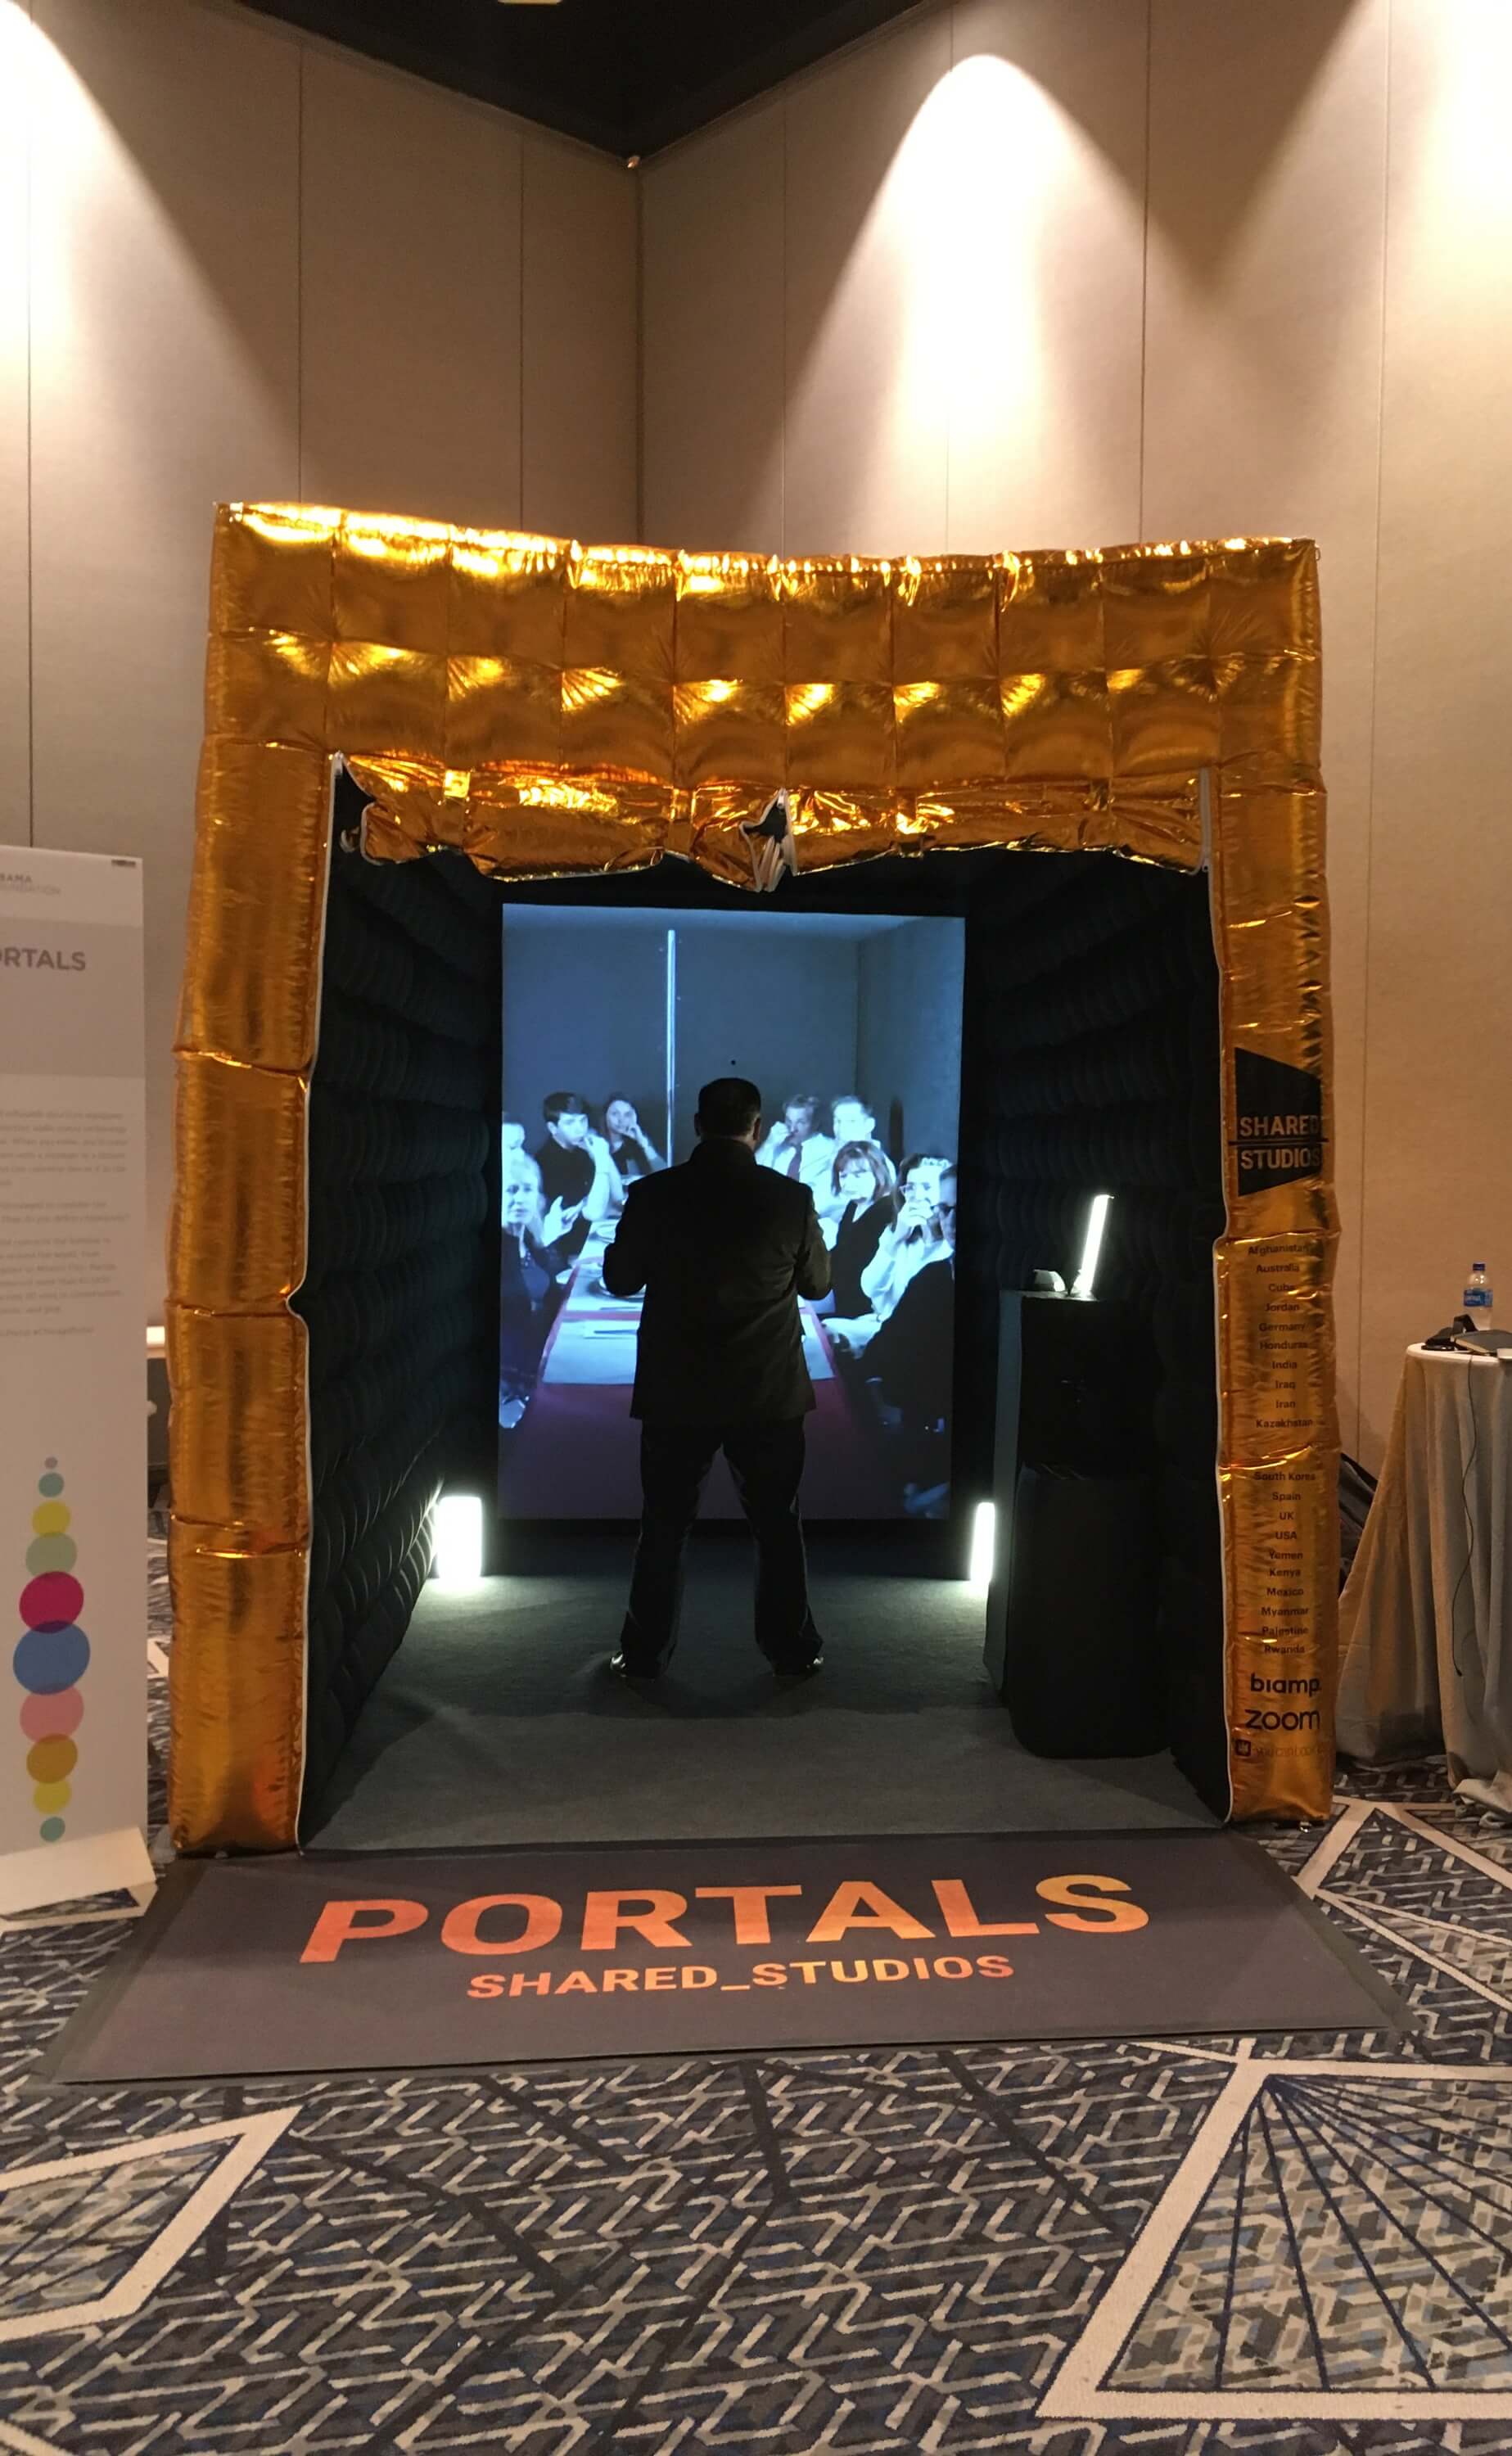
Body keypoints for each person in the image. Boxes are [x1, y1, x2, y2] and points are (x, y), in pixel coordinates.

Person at [602, 1074, 831, 1679]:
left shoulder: (653, 1194)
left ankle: (645, 1653)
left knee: (664, 1527)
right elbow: (817, 1284)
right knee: (778, 1525)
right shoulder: (791, 1198)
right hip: (768, 1389)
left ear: (697, 1125)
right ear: (757, 1128)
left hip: (677, 1390)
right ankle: (791, 1649)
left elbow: (620, 1280)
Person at [499, 1160, 560, 1429]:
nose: (520, 1198)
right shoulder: (499, 1248)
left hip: (536, 1369)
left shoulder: (531, 1243)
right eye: (511, 1190)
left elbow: (546, 1290)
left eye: (528, 1189)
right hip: (508, 1388)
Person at [534, 1092, 622, 1271]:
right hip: (565, 1255)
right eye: (569, 1123)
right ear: (553, 1128)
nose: (579, 1129)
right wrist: (601, 1159)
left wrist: (602, 1155)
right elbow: (593, 1212)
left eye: (583, 1121)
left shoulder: (581, 1150)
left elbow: (618, 1197)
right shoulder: (546, 1162)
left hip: (590, 1240)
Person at [826, 1141, 897, 1310]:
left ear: (878, 1174)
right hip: (845, 1300)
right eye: (843, 1176)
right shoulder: (854, 1205)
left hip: (868, 1308)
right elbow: (842, 1250)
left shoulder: (887, 1211)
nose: (849, 1183)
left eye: (858, 1175)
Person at [755, 1093, 836, 1205]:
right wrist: (769, 1143)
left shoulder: (831, 1149)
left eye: (801, 1123)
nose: (792, 1129)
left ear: (815, 1124)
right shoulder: (777, 1145)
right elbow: (751, 1172)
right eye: (788, 1121)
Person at [603, 1096, 664, 1188]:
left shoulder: (637, 1144)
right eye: (615, 1114)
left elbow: (664, 1174)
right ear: (605, 1116)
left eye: (627, 1115)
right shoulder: (596, 1144)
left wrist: (644, 1144)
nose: (621, 1120)